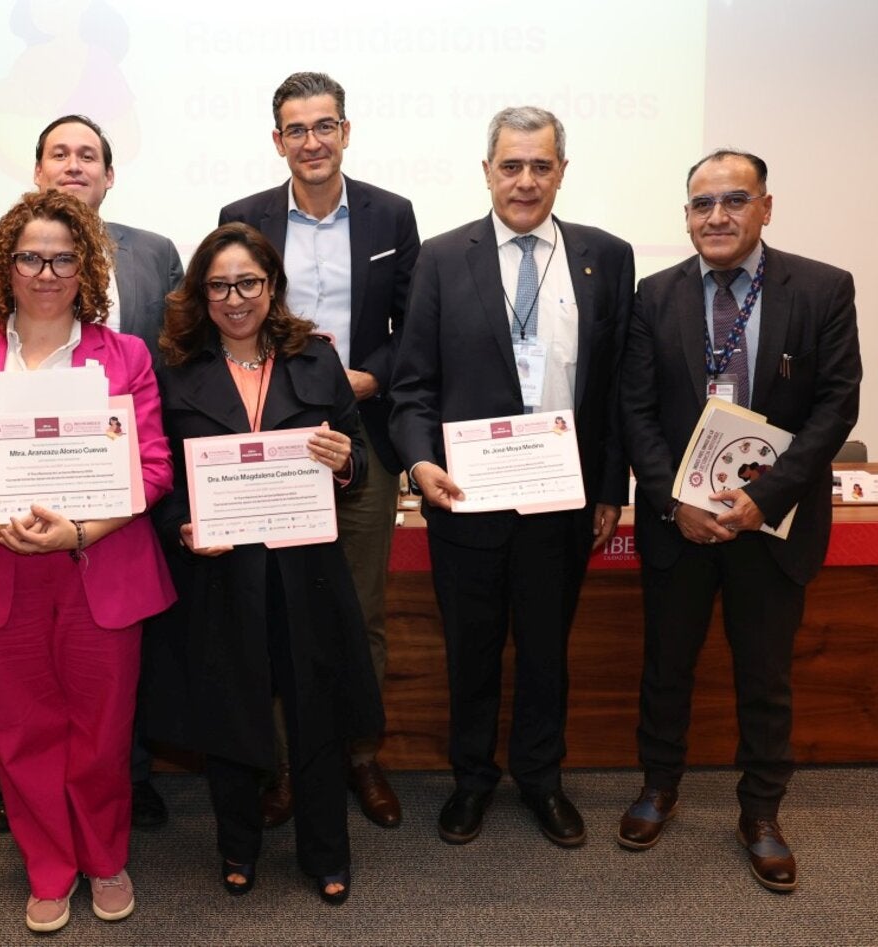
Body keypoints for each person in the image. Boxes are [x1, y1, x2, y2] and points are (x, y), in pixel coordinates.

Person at [0, 188, 174, 933]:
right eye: (31, 256)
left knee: (101, 728)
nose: (48, 271)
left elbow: (152, 468)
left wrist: (81, 532)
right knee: (23, 731)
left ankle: (105, 856)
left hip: (99, 564)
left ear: (86, 266)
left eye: (64, 257)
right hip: (2, 569)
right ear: (5, 265)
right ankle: (50, 867)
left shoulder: (124, 355)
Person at [616, 149, 862, 892]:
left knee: (765, 677)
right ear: (686, 215)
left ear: (765, 207)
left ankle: (760, 812)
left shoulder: (821, 287)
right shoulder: (653, 296)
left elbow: (836, 406)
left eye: (732, 200)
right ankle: (659, 786)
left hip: (771, 525)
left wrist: (768, 496)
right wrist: (671, 500)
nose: (716, 216)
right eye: (700, 204)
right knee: (666, 667)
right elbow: (634, 409)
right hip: (679, 525)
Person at [388, 107, 634, 848]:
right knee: (471, 648)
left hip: (563, 503)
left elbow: (618, 384)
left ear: (561, 170)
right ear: (488, 170)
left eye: (541, 165)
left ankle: (541, 777)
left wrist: (611, 488)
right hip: (467, 500)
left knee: (546, 650)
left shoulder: (606, 256)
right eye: (511, 165)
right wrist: (419, 458)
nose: (525, 181)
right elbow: (412, 387)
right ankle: (471, 779)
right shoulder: (439, 258)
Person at [0, 113, 182, 832]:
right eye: (59, 153)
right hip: (5, 518)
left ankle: (122, 782)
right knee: (26, 700)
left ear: (109, 174)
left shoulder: (154, 254)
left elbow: (171, 372)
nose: (74, 165)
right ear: (38, 172)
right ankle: (36, 806)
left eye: (89, 155)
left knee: (112, 680)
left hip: (114, 512)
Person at [146, 222, 383, 904]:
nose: (234, 297)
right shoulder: (177, 369)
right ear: (200, 293)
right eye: (217, 285)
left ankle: (326, 852)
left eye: (247, 281)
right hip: (221, 572)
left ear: (271, 285)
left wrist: (344, 463)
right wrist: (181, 528)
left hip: (305, 570)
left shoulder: (314, 359)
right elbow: (160, 476)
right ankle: (237, 845)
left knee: (316, 714)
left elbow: (358, 456)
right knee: (230, 713)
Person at [219, 71, 418, 830]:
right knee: (276, 603)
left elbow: (413, 332)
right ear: (278, 141)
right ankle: (283, 766)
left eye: (324, 125)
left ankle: (359, 754)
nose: (312, 141)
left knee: (360, 606)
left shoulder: (390, 215)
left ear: (345, 131)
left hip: (357, 427)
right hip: (269, 433)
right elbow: (228, 318)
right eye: (296, 129)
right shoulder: (244, 217)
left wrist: (368, 379)